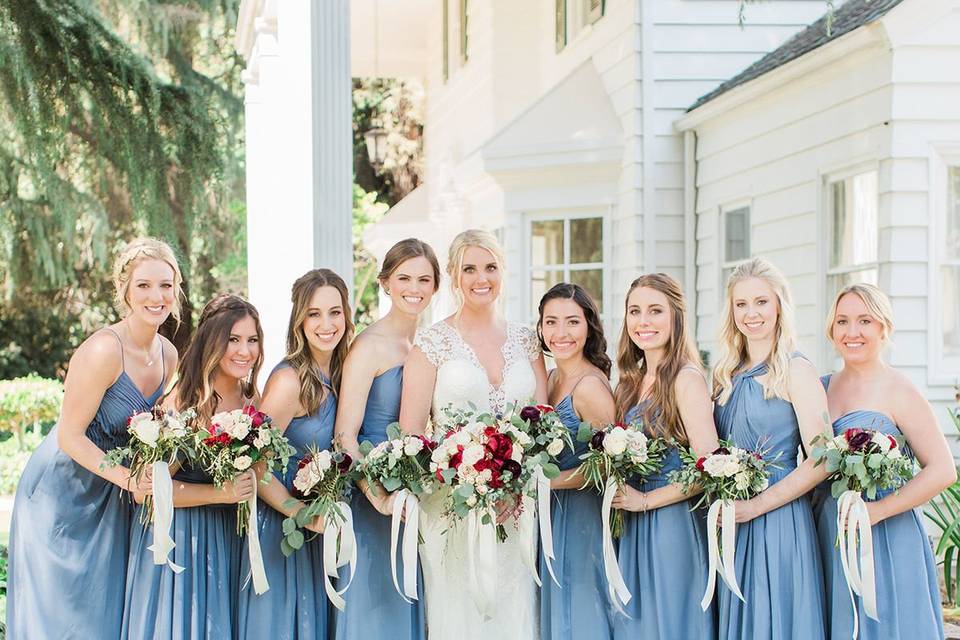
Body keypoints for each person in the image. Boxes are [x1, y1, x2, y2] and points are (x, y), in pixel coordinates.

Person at [7, 237, 180, 639]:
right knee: (60, 614)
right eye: (144, 285)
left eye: (166, 285)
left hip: (112, 492)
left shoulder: (168, 354)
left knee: (104, 610)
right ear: (123, 290)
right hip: (63, 491)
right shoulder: (104, 349)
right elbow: (69, 435)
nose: (157, 296)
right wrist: (128, 479)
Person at [399, 229, 548, 639]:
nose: (481, 278)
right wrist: (464, 479)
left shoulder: (528, 340)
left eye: (490, 267)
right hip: (452, 508)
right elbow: (411, 440)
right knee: (459, 618)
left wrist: (515, 485)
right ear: (453, 275)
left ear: (504, 271)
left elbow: (542, 426)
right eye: (469, 269)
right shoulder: (432, 344)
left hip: (519, 508)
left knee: (516, 615)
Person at [814, 283, 952, 639]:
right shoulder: (820, 387)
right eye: (842, 321)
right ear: (832, 329)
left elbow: (942, 470)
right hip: (829, 529)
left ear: (883, 328)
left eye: (865, 321)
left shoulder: (899, 389)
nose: (852, 332)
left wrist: (878, 511)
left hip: (887, 533)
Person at [122, 293, 261, 639]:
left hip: (229, 539)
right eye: (233, 340)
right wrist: (221, 492)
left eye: (252, 340)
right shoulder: (186, 401)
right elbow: (146, 491)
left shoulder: (251, 401)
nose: (245, 351)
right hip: (184, 540)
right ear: (212, 341)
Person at [711, 257, 829, 639]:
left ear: (779, 305)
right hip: (731, 517)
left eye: (761, 302)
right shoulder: (724, 373)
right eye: (741, 304)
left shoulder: (796, 369)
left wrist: (756, 506)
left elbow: (822, 460)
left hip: (779, 519)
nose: (751, 313)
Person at [237, 269, 353, 639]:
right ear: (299, 320)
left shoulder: (341, 371)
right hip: (282, 530)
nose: (326, 324)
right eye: (314, 314)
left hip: (318, 530)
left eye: (335, 312)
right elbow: (255, 465)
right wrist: (297, 512)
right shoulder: (290, 380)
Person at [333, 238, 439, 640]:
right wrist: (377, 494)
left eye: (424, 279)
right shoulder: (369, 346)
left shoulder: (428, 344)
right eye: (404, 278)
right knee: (375, 611)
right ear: (385, 283)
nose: (414, 287)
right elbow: (345, 434)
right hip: (371, 497)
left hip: (415, 494)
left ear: (435, 286)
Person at [609, 273, 719, 639]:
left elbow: (710, 467)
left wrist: (645, 500)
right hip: (632, 524)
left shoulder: (686, 379)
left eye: (655, 311)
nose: (644, 321)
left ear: (675, 316)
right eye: (635, 311)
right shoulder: (629, 381)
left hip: (670, 522)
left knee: (671, 623)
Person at [535, 283, 616, 640]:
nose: (560, 333)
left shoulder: (590, 387)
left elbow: (609, 464)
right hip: (551, 511)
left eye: (572, 322)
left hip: (582, 514)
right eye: (551, 322)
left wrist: (545, 481)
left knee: (581, 608)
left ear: (588, 326)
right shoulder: (551, 378)